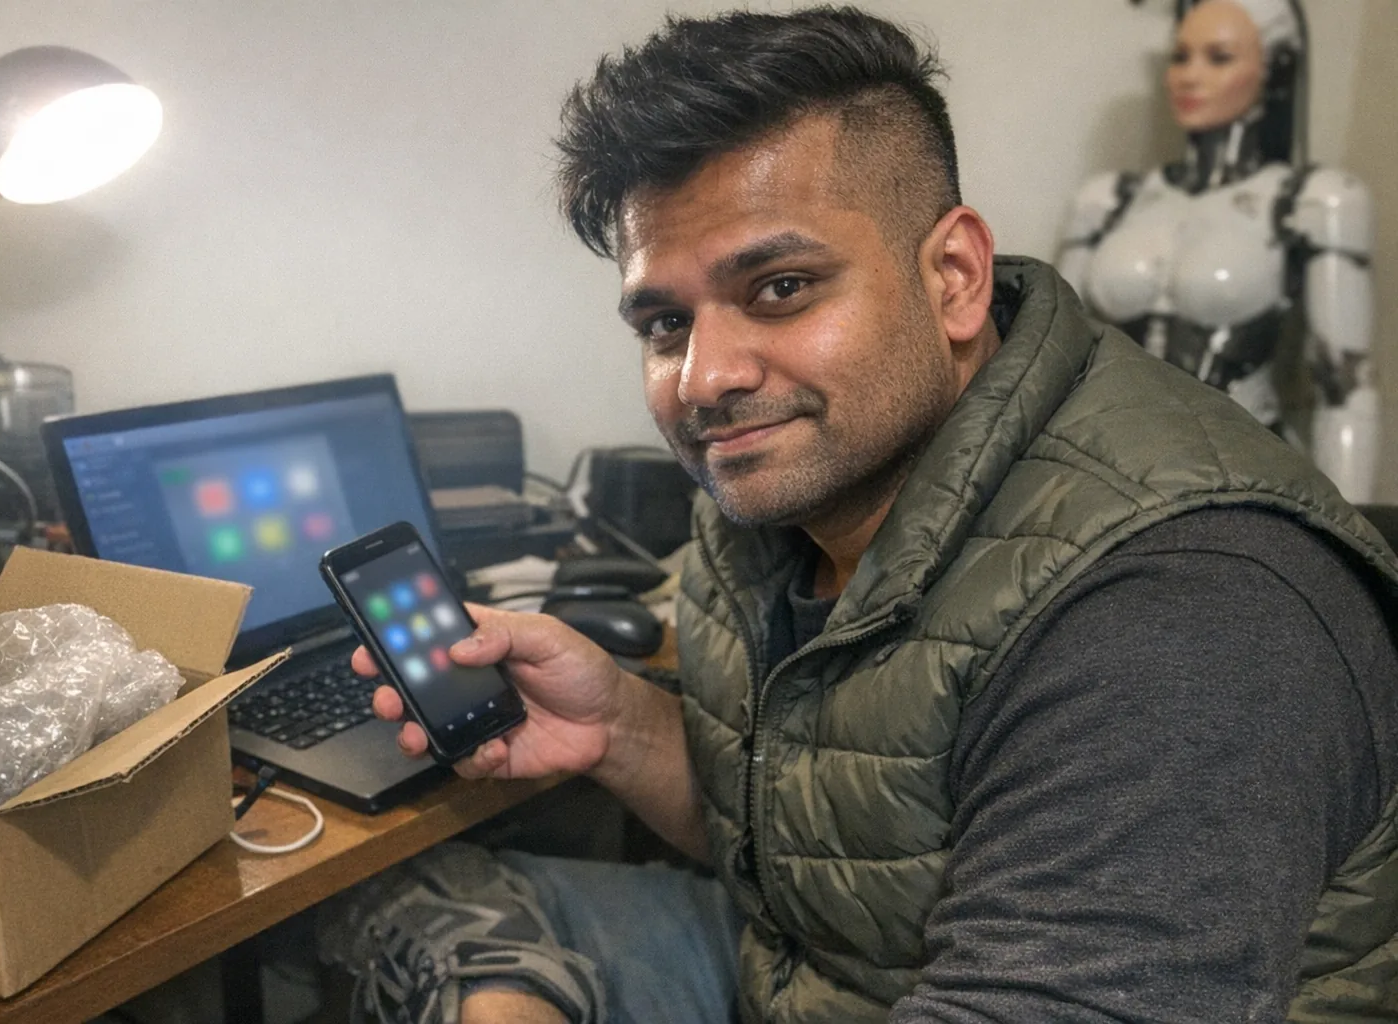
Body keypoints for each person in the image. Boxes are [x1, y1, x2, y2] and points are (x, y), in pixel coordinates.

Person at [317, 7, 1398, 1022]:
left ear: (957, 277)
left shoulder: (1179, 616)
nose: (704, 377)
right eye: (661, 321)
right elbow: (842, 854)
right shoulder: (778, 504)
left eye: (780, 287)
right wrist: (622, 732)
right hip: (815, 976)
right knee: (382, 888)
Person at [1059, 0, 1381, 503]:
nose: (1189, 75)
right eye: (1181, 56)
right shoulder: (1106, 201)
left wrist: (1355, 535)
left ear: (1274, 68)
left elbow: (1344, 384)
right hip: (1104, 470)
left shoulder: (1317, 201)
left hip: (1244, 480)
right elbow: (1052, 358)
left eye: (1219, 57)